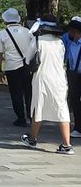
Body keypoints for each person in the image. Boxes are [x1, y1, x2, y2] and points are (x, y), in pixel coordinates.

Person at [21, 17, 75, 155]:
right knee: (62, 109)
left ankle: (32, 139)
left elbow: (27, 59)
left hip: (42, 78)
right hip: (59, 79)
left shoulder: (37, 41)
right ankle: (67, 145)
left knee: (38, 107)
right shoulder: (60, 42)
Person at [0, 7, 35, 127]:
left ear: (6, 20)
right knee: (29, 92)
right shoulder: (27, 31)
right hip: (27, 66)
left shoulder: (2, 34)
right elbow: (34, 48)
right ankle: (31, 115)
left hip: (12, 67)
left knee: (16, 93)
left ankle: (21, 118)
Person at [62, 16, 81, 138]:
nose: (68, 33)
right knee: (74, 101)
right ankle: (78, 128)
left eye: (70, 31)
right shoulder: (71, 44)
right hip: (74, 75)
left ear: (75, 31)